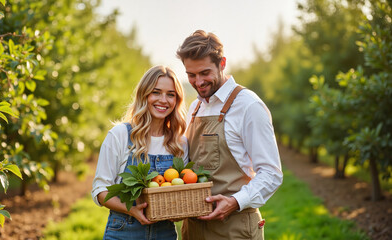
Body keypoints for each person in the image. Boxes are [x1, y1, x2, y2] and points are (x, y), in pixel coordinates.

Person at [176, 30, 283, 240]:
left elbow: (271, 173)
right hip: (194, 229)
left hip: (235, 227)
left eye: (205, 73)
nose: (198, 82)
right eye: (191, 75)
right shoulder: (195, 107)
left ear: (222, 63)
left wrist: (234, 202)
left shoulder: (248, 106)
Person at [91, 65, 188, 240]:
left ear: (177, 100)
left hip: (165, 233)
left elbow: (183, 191)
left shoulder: (179, 143)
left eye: (170, 94)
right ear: (144, 95)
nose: (163, 100)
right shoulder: (120, 135)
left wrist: (178, 212)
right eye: (156, 92)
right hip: (124, 230)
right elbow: (100, 190)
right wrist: (132, 209)